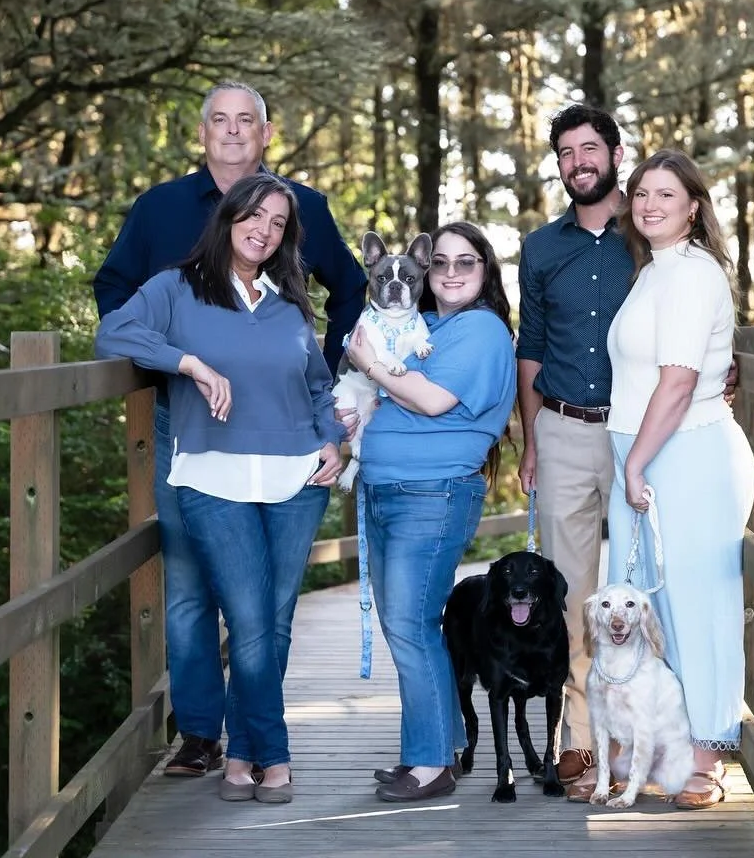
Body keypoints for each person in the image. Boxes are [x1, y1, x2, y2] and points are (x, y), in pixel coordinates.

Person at [92, 81, 365, 779]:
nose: (233, 130)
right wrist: (174, 365)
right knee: (188, 586)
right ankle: (201, 735)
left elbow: (349, 291)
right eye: (220, 119)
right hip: (193, 428)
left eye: (247, 120)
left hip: (286, 438)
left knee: (265, 609)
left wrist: (321, 386)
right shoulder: (160, 212)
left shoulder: (301, 219)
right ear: (203, 129)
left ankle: (252, 744)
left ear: (267, 134)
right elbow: (114, 301)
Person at [604, 149, 754, 809]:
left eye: (666, 194)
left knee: (697, 608)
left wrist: (635, 462)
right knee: (647, 608)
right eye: (642, 194)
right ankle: (656, 746)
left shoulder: (694, 275)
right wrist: (631, 461)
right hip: (644, 455)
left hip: (685, 456)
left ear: (694, 205)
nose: (650, 205)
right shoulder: (654, 272)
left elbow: (679, 379)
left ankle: (706, 757)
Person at [345, 222, 517, 803]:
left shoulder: (482, 331)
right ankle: (437, 751)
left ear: (485, 271)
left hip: (432, 494)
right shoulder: (426, 327)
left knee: (408, 623)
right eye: (439, 262)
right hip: (388, 489)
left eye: (464, 263)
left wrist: (368, 364)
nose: (448, 272)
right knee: (414, 625)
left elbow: (433, 399)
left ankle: (430, 764)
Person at [515, 104, 636, 799]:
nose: (579, 161)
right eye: (566, 152)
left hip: (638, 434)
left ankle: (645, 739)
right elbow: (529, 347)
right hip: (561, 429)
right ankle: (580, 743)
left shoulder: (647, 235)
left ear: (615, 154)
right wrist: (533, 440)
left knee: (647, 585)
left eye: (591, 148)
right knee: (571, 597)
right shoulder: (540, 247)